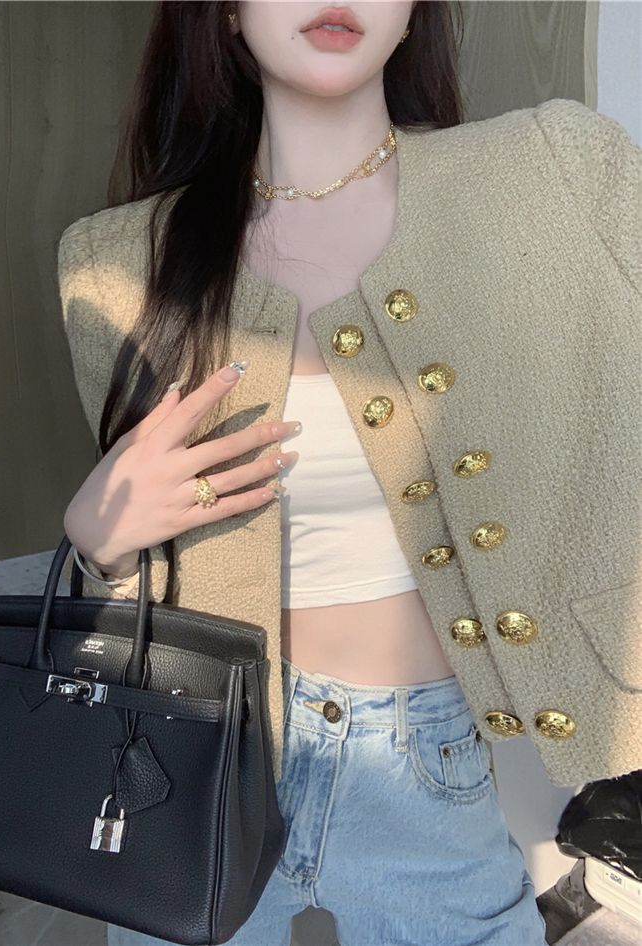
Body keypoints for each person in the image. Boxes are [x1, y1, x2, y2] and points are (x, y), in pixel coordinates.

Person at [58, 2, 640, 944]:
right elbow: (137, 597)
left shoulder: (552, 172)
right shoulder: (117, 259)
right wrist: (101, 543)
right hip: (198, 766)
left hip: (427, 765)